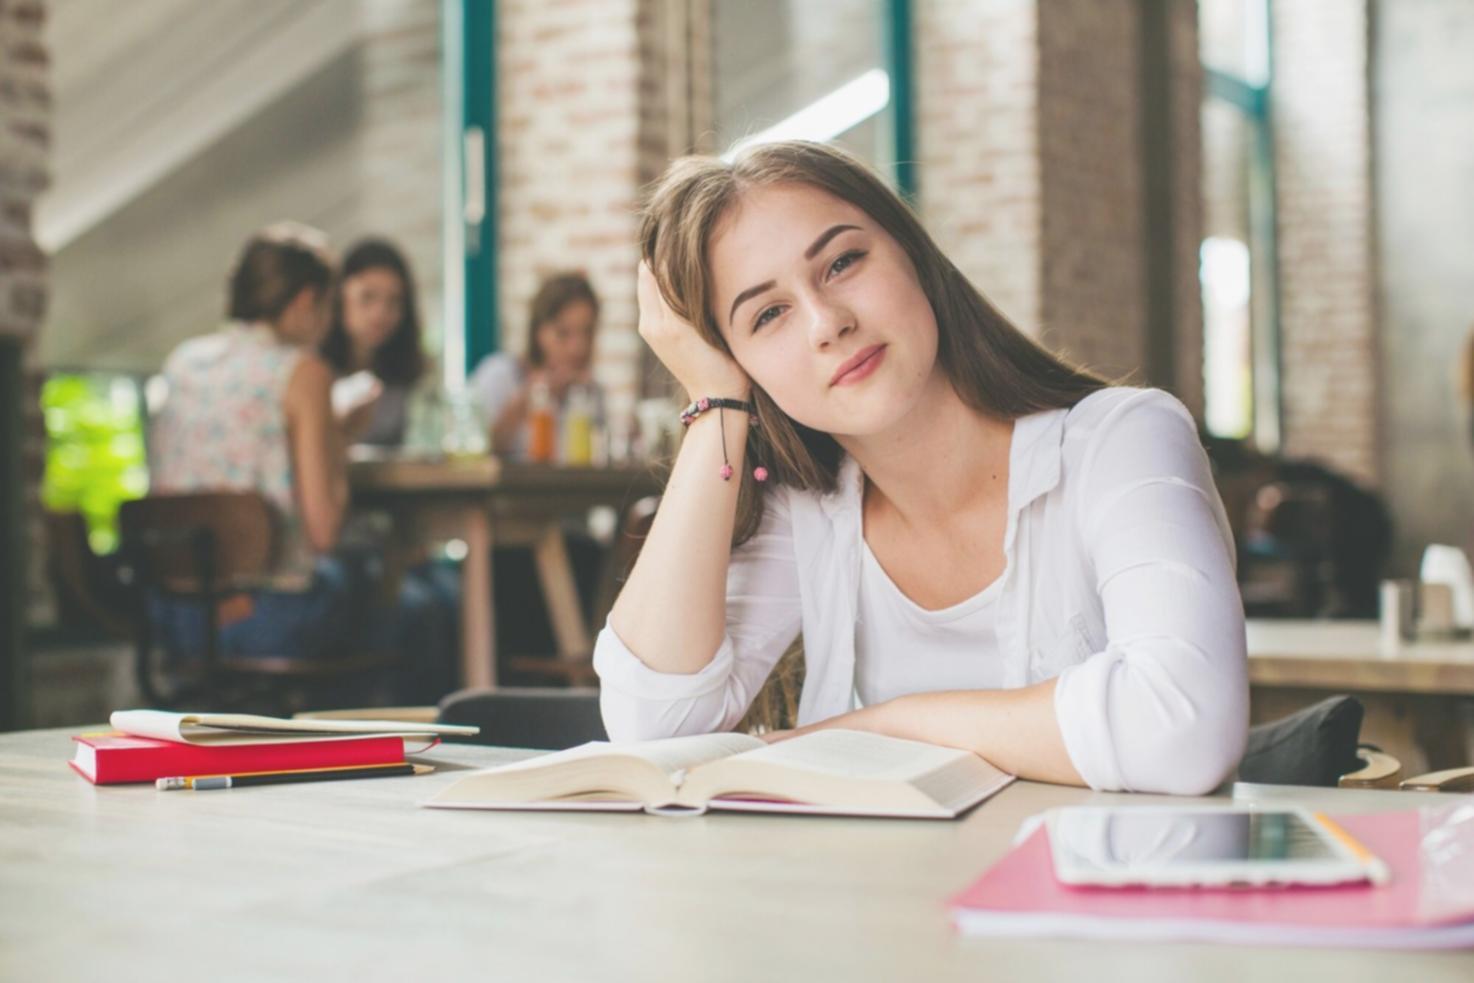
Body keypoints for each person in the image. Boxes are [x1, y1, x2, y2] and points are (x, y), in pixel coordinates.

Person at [595, 141, 1249, 795]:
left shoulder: (1121, 441)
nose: (827, 323)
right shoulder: (811, 515)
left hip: (1087, 893)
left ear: (912, 253)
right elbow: (653, 729)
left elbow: (1183, 728)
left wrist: (877, 729)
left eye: (843, 262)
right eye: (768, 315)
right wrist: (717, 406)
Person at [149, 224, 453, 702]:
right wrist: (335, 434)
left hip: (177, 616)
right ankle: (370, 751)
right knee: (414, 605)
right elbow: (324, 531)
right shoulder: (302, 372)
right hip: (267, 620)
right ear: (307, 300)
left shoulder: (183, 361)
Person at [468, 271, 603, 458]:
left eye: (588, 332)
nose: (578, 347)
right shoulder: (499, 375)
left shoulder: (591, 392)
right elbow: (474, 451)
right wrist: (525, 400)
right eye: (563, 333)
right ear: (538, 332)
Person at [320, 238, 427, 446]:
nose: (380, 314)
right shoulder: (313, 370)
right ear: (339, 297)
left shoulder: (411, 376)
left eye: (393, 301)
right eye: (367, 297)